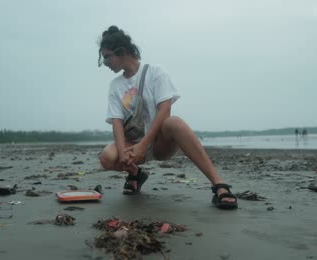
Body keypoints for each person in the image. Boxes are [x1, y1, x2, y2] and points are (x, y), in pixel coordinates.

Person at [97, 25, 237, 210]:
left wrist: (144, 145)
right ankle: (135, 174)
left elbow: (165, 111)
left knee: (174, 123)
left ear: (121, 52)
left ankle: (219, 185)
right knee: (107, 157)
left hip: (158, 143)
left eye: (107, 57)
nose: (105, 62)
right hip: (132, 146)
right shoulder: (115, 86)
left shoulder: (155, 73)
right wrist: (123, 152)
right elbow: (116, 122)